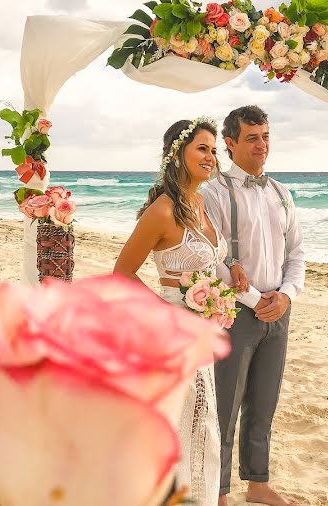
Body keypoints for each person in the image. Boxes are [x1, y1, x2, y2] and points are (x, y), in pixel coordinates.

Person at [113, 117, 225, 506]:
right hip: (175, 334)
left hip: (202, 335)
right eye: (202, 148)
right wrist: (169, 314)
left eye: (214, 149)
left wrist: (225, 288)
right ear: (178, 153)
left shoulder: (201, 202)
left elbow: (207, 265)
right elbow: (123, 272)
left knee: (203, 425)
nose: (211, 156)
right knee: (184, 426)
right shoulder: (163, 210)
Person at [201, 105, 305, 506]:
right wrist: (252, 299)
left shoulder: (282, 192)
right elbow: (213, 259)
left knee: (264, 402)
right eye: (251, 138)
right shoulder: (212, 193)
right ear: (229, 143)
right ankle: (220, 491)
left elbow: (296, 253)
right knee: (225, 405)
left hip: (279, 310)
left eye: (265, 136)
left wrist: (286, 296)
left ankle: (257, 484)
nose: (261, 145)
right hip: (234, 311)